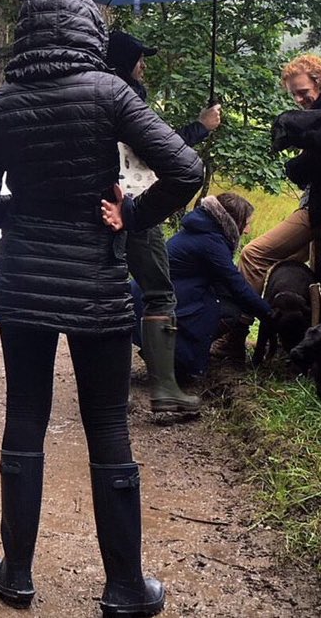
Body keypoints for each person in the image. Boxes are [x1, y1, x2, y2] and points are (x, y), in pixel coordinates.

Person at [0, 0, 203, 616]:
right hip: (97, 281)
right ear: (85, 30)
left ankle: (15, 573)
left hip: (20, 281)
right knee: (106, 423)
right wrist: (131, 215)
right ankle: (125, 587)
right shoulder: (111, 93)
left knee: (24, 417)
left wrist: (27, 210)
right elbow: (186, 168)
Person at [212, 54, 321, 363]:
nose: (298, 98)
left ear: (320, 81)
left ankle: (235, 335)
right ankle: (293, 342)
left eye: (303, 90)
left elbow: (317, 167)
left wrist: (295, 166)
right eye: (293, 93)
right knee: (293, 265)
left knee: (255, 255)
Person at [105, 30, 221, 413]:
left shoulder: (92, 92)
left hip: (102, 206)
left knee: (108, 292)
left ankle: (108, 394)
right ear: (125, 61)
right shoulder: (127, 97)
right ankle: (165, 392)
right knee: (158, 293)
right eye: (139, 57)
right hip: (137, 205)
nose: (144, 65)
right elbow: (161, 148)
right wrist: (201, 127)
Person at [127, 193, 273, 381]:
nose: (247, 230)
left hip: (150, 295)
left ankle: (169, 354)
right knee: (230, 310)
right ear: (232, 220)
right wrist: (270, 315)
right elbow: (237, 286)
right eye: (246, 223)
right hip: (156, 302)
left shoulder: (203, 230)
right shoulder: (211, 242)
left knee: (221, 301)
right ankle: (177, 358)